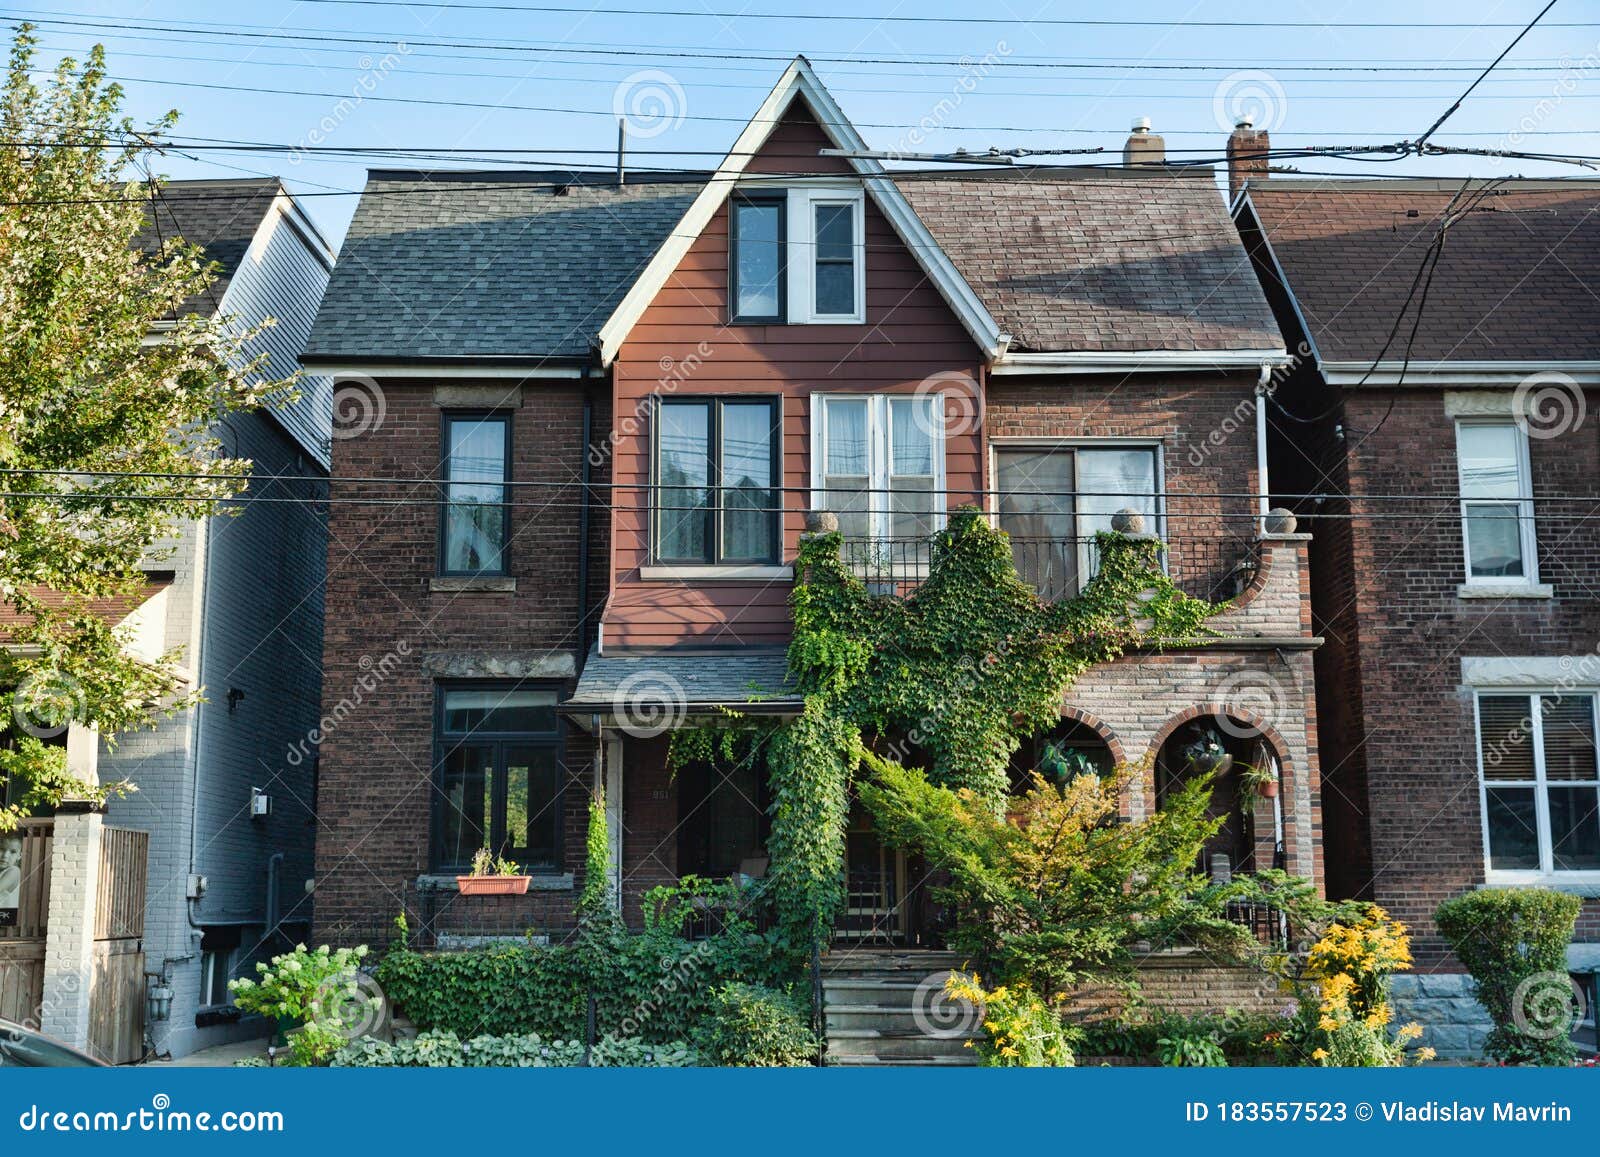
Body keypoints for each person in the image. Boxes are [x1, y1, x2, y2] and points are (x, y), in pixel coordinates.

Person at [0, 838, 22, 911]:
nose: (5, 855)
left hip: (6, 918)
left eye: (13, 852)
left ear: (19, 856)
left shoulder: (14, 871)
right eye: (2, 849)